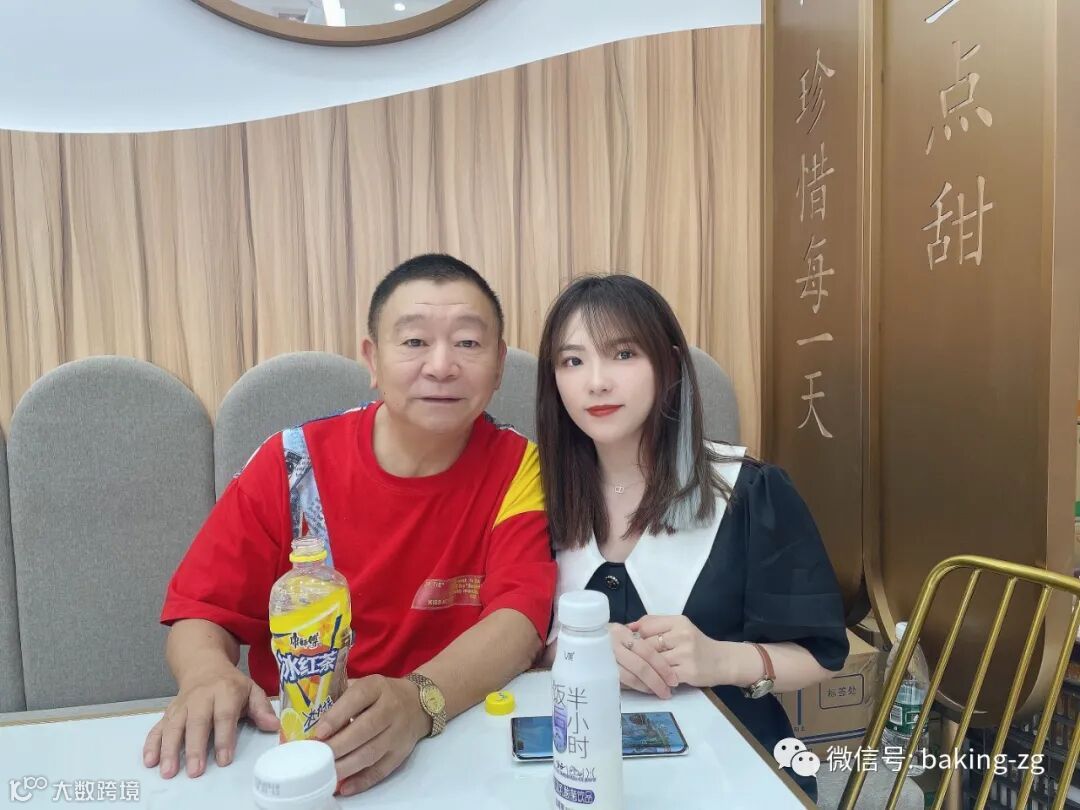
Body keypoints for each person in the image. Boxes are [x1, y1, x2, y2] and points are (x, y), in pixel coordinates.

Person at [144, 254, 556, 796]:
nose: (441, 366)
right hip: (301, 756)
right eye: (414, 341)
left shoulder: (520, 467)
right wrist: (206, 673)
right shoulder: (293, 464)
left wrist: (418, 701)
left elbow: (519, 621)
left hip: (460, 739)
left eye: (467, 342)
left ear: (499, 363)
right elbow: (201, 609)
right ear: (372, 358)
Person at [536, 274, 848, 801]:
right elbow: (513, 641)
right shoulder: (536, 498)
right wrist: (566, 651)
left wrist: (720, 659)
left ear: (671, 364)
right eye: (572, 361)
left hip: (729, 768)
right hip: (577, 766)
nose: (596, 382)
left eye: (623, 354)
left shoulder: (749, 492)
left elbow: (820, 655)